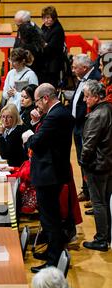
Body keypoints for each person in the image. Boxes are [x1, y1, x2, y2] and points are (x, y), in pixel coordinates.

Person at [23, 84, 74, 272]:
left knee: (50, 220)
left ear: (45, 98)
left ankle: (53, 262)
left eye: (37, 101)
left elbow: (36, 142)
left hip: (49, 175)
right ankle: (53, 252)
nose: (37, 106)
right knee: (48, 219)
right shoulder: (59, 113)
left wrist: (29, 135)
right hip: (52, 173)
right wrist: (37, 124)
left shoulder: (55, 115)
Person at [81, 80, 112, 252]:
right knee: (106, 201)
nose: (85, 100)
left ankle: (101, 239)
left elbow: (88, 145)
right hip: (108, 163)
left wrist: (83, 163)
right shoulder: (109, 109)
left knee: (98, 203)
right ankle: (107, 235)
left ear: (96, 96)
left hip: (97, 166)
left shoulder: (96, 116)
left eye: (87, 97)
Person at [69, 54, 101, 203]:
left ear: (85, 68)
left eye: (75, 67)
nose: (73, 69)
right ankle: (86, 189)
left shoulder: (94, 78)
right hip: (77, 124)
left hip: (85, 125)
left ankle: (91, 193)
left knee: (86, 159)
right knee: (81, 158)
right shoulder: (82, 77)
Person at [0, 103, 28, 168]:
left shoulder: (18, 131)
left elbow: (5, 155)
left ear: (15, 117)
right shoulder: (7, 127)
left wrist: (0, 135)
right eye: (3, 117)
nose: (5, 120)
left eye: (9, 117)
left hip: (17, 168)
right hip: (8, 164)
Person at [40, 6, 65, 87]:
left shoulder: (58, 29)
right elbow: (41, 41)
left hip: (53, 65)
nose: (45, 20)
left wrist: (44, 44)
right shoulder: (44, 26)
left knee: (50, 86)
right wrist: (44, 44)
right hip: (45, 62)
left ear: (54, 17)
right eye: (44, 18)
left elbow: (50, 49)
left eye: (48, 18)